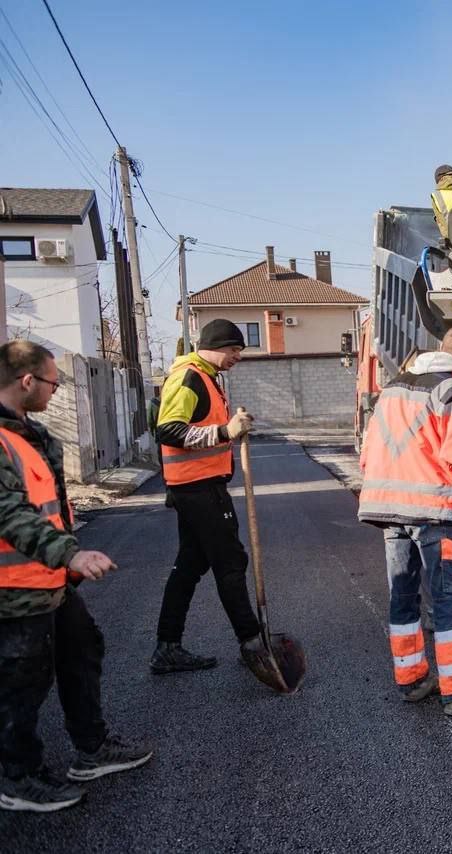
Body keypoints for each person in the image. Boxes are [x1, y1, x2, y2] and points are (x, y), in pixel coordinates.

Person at [0, 341, 151, 812]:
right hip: (13, 591)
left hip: (51, 580)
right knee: (22, 683)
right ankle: (18, 779)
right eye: (52, 382)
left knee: (82, 649)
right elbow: (10, 514)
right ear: (27, 381)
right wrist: (71, 554)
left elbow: (51, 508)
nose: (55, 390)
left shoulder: (31, 435)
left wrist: (66, 561)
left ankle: (91, 749)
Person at [357, 325, 452, 715]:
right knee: (446, 601)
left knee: (403, 596)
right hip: (433, 513)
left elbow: (368, 451)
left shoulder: (393, 388)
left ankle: (412, 681)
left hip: (389, 509)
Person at [151, 320, 261, 673]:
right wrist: (225, 431)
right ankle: (252, 641)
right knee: (230, 562)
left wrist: (230, 428)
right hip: (198, 488)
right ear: (213, 346)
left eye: (240, 350)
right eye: (233, 349)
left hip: (197, 486)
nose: (237, 356)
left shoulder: (208, 377)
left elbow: (200, 426)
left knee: (190, 565)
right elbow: (168, 430)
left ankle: (167, 647)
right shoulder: (189, 377)